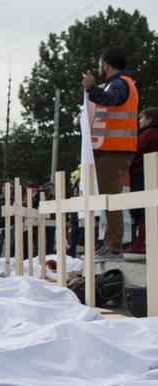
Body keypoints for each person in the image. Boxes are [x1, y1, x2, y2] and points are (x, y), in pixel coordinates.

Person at [83, 46, 139, 260]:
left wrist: (91, 89)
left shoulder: (120, 84)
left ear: (105, 63)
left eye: (100, 63)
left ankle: (113, 246)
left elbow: (111, 100)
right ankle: (110, 243)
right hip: (116, 149)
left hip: (113, 150)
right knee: (110, 198)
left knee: (110, 199)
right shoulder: (124, 83)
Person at [126, 106, 158, 256]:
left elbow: (136, 150)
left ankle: (141, 242)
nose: (139, 120)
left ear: (150, 119)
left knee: (142, 209)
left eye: (142, 117)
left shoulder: (150, 133)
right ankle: (141, 241)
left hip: (144, 173)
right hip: (146, 172)